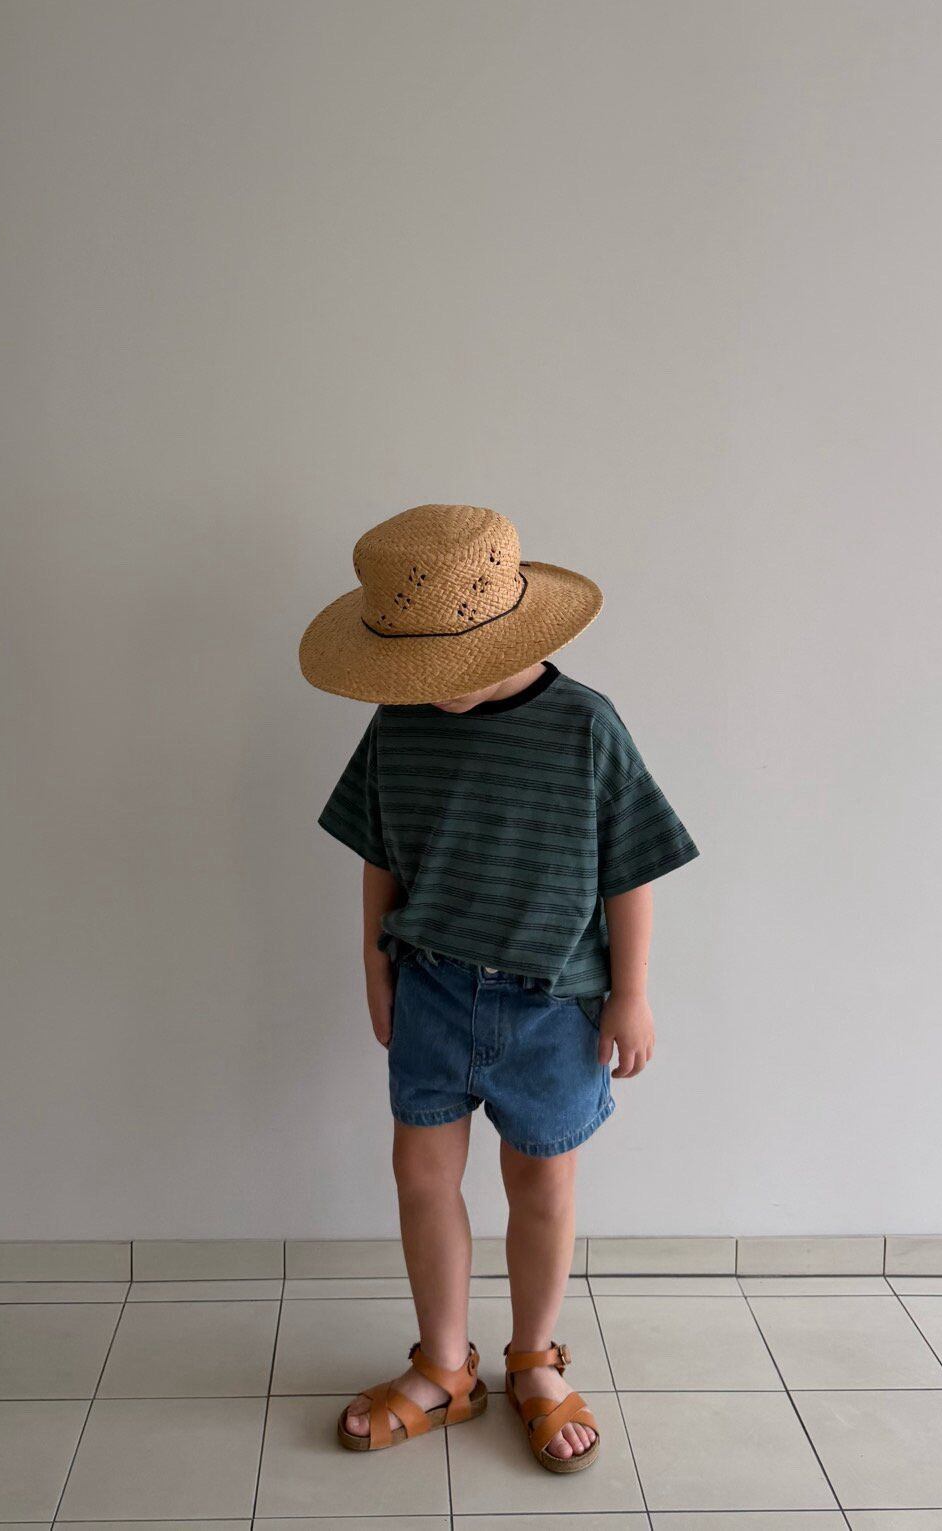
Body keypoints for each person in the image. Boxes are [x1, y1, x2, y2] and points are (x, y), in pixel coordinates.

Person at [299, 503, 698, 1472]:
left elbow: (629, 871)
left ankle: (534, 1360)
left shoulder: (586, 725)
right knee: (421, 1174)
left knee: (541, 1182)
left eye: (445, 668)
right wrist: (373, 968)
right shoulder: (398, 724)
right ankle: (444, 1366)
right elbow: (378, 855)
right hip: (430, 989)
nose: (428, 690)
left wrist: (632, 993)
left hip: (554, 1005)